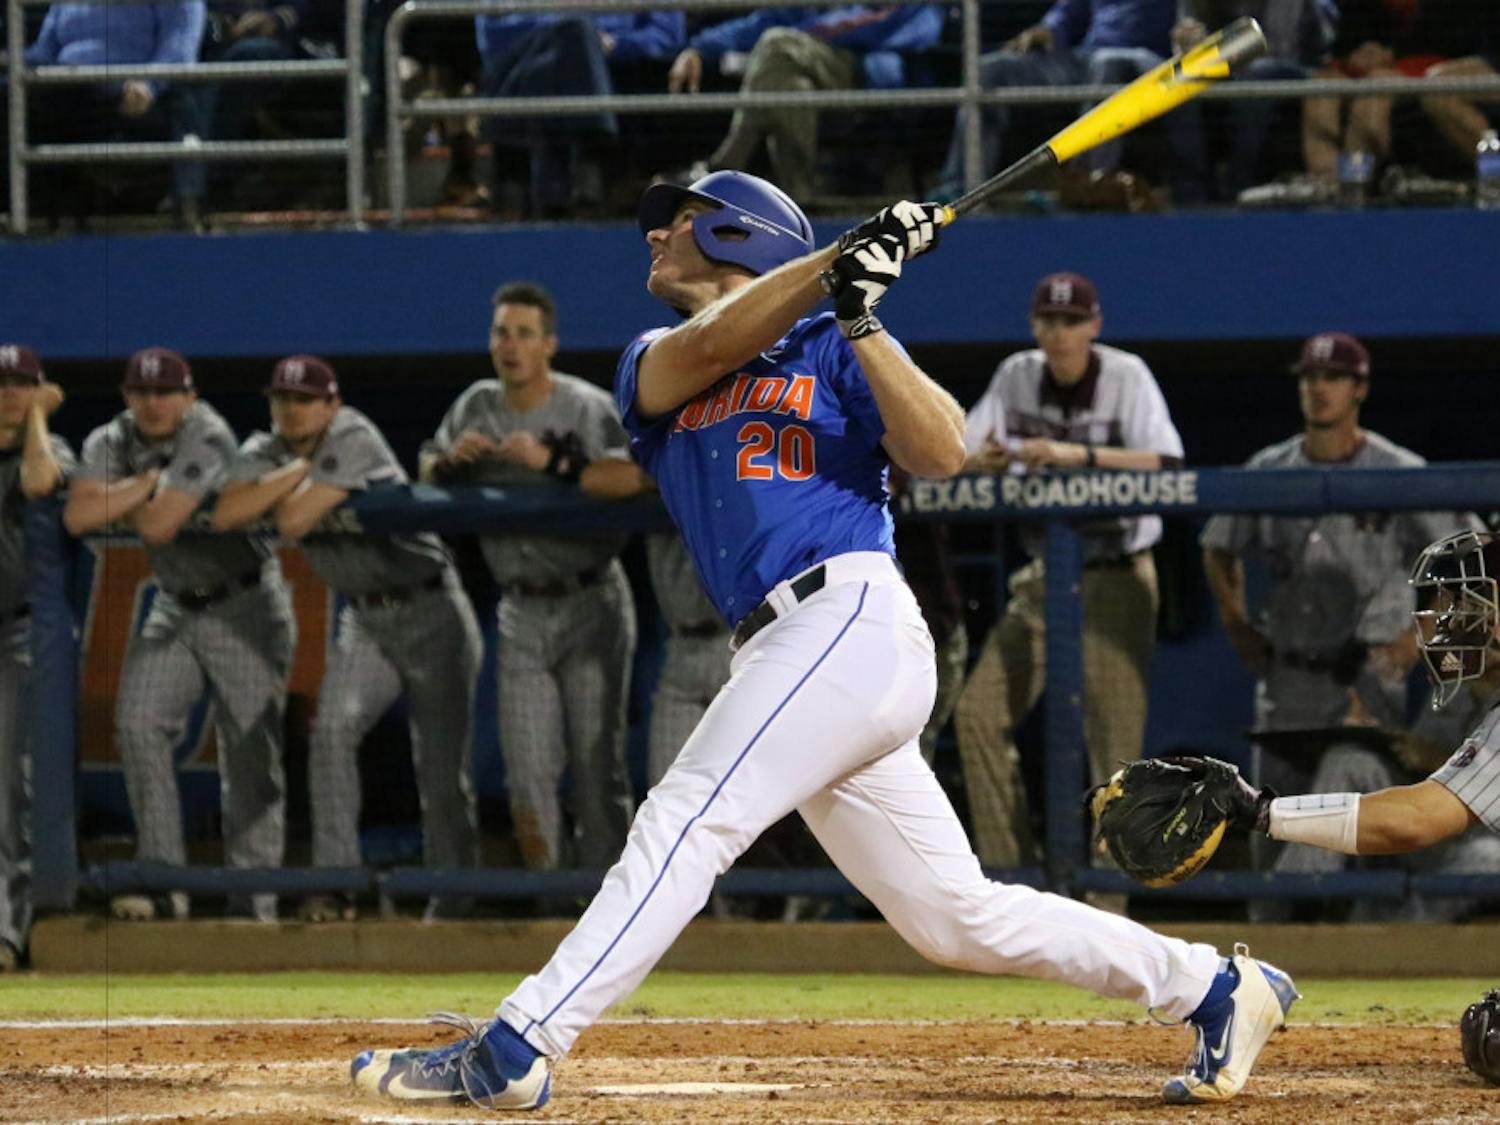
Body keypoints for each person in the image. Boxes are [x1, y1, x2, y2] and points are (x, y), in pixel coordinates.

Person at [352, 172, 1296, 1109]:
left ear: (737, 233)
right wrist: (838, 261)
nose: (655, 238)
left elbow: (944, 449)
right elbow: (719, 339)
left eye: (680, 222)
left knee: (688, 816)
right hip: (787, 648)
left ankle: (518, 1044)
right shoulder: (655, 354)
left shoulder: (834, 341)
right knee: (952, 916)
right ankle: (1215, 986)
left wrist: (861, 313)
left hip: (848, 617)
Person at [1199, 331, 1475, 913]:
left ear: (1359, 389)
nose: (1319, 389)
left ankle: (1342, 947)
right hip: (1287, 680)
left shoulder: (1400, 470)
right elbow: (1217, 546)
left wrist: (1417, 636)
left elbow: (1469, 557)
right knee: (1266, 825)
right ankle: (1268, 943)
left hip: (1370, 679)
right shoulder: (1268, 467)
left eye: (1333, 378)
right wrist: (1236, 623)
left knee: (1350, 816)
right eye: (1309, 378)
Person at [212, 355, 482, 923]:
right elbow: (230, 512)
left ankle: (453, 897)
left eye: (305, 399)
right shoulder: (267, 449)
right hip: (365, 619)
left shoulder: (353, 432)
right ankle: (338, 885)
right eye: (281, 399)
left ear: (331, 404)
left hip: (431, 606)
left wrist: (284, 485)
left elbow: (291, 521)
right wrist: (294, 473)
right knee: (331, 733)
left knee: (439, 765)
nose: (291, 409)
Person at [954, 272, 1183, 872]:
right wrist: (985, 461)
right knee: (977, 714)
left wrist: (1075, 456)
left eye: (1072, 321)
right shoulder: (1016, 374)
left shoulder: (1126, 374)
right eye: (1049, 322)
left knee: (1114, 752)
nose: (1060, 333)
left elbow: (1167, 463)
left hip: (1117, 573)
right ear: (1035, 326)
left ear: (1094, 325)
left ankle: (1108, 905)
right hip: (1045, 576)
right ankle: (1009, 881)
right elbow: (959, 454)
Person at [63, 347, 294, 923]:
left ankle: (254, 903)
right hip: (175, 604)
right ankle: (165, 882)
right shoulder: (111, 438)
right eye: (141, 392)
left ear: (188, 397)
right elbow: (78, 517)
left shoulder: (208, 431)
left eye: (165, 392)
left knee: (249, 752)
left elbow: (161, 525)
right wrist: (149, 483)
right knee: (138, 725)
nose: (153, 403)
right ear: (126, 397)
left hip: (245, 601)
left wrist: (128, 496)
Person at [421, 282, 636, 875]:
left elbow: (636, 473)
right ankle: (553, 898)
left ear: (549, 345)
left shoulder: (586, 407)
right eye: (500, 332)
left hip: (590, 596)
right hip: (519, 608)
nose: (509, 345)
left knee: (598, 768)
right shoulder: (475, 405)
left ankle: (610, 904)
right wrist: (444, 463)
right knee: (528, 770)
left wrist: (558, 464)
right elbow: (422, 466)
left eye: (523, 334)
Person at [1191, 527, 1500, 870]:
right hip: (1446, 832)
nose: (1464, 619)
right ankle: (1290, 912)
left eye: (1479, 604)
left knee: (1482, 859)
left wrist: (1260, 811)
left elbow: (1417, 818)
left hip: (1477, 845)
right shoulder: (1468, 684)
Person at [933, 0, 1206, 202]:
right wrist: (1046, 30)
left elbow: (1193, 20)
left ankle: (1086, 185)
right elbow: (1066, 15)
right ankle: (962, 186)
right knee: (990, 69)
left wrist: (1191, 33)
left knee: (1107, 62)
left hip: (1150, 61)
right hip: (1085, 57)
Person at [666, 5, 945, 201]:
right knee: (786, 86)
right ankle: (800, 198)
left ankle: (721, 167)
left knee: (776, 44)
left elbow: (885, 22)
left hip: (865, 70)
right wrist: (698, 50)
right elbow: (763, 21)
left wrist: (804, 35)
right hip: (806, 68)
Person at [0, 345, 72, 970]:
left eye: (23, 383)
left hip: (19, 633)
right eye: (0, 384)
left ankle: (7, 929)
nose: (9, 393)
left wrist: (39, 421)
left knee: (7, 785)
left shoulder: (51, 446)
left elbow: (40, 481)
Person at [13, 0, 208, 229]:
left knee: (184, 101)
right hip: (66, 87)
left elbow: (179, 52)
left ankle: (187, 209)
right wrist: (13, 61)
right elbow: (43, 52)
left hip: (131, 90)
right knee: (12, 93)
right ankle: (21, 215)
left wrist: (149, 85)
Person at [474, 11, 686, 217]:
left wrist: (615, 43)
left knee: (574, 46)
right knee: (574, 33)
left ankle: (553, 202)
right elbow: (496, 35)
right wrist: (574, 28)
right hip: (524, 70)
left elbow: (668, 36)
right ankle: (590, 157)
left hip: (616, 72)